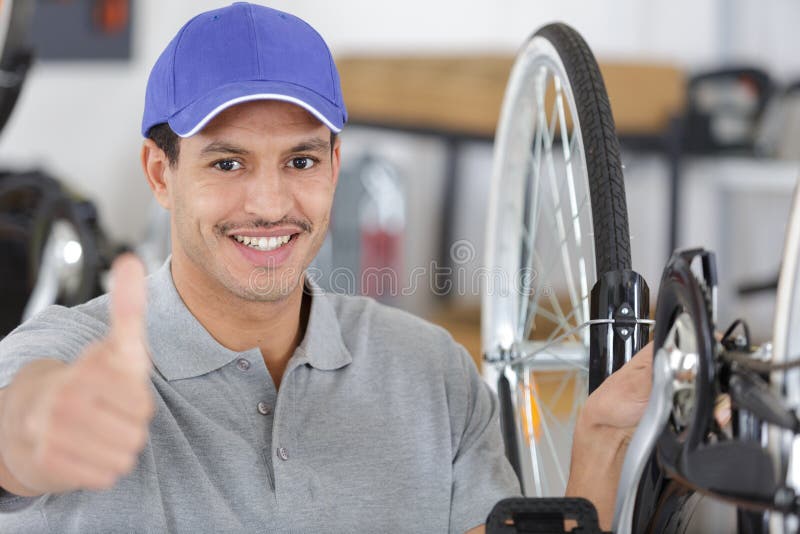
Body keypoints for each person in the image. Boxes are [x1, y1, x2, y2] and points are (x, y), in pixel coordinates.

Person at [0, 3, 651, 532]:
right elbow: (16, 424)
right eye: (227, 163)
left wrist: (602, 439)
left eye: (301, 161)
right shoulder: (74, 354)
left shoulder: (432, 373)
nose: (270, 204)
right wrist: (40, 426)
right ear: (159, 173)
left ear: (335, 167)